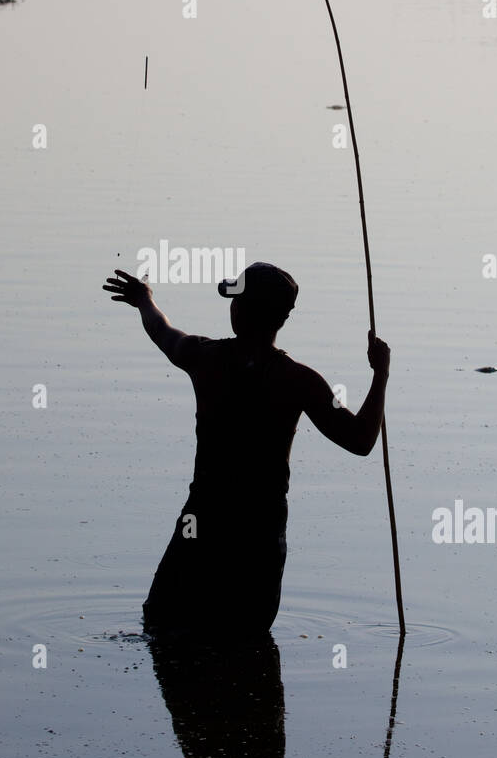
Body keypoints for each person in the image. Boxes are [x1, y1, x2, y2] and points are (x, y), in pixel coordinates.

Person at [102, 262, 390, 639]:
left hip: (200, 529)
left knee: (164, 631)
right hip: (259, 540)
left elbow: (162, 331)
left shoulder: (203, 357)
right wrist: (380, 374)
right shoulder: (300, 381)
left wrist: (145, 301)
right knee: (244, 639)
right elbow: (361, 440)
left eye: (235, 300)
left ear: (241, 310)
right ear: (282, 319)